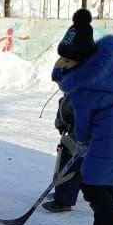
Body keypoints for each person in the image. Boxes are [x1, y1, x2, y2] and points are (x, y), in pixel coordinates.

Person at [53, 9, 113, 225]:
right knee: (105, 181)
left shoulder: (84, 86)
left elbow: (82, 123)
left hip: (107, 139)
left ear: (82, 59)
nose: (65, 64)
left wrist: (81, 143)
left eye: (69, 60)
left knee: (91, 183)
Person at [41, 82, 82, 213]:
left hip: (88, 128)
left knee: (71, 157)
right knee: (69, 154)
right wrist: (62, 121)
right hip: (76, 123)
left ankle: (64, 200)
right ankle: (64, 193)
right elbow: (65, 100)